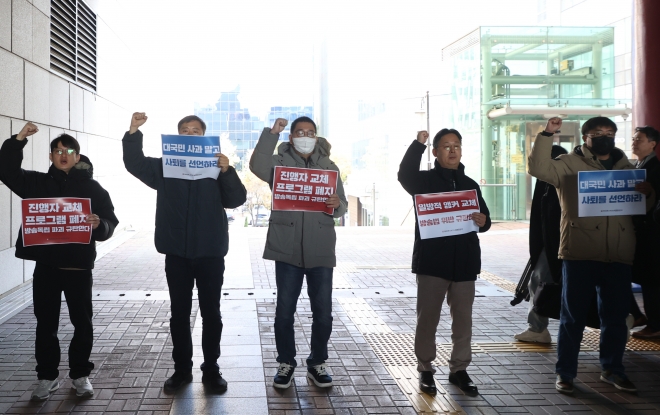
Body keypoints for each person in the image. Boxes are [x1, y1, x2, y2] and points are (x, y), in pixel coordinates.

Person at [528, 116, 654, 395]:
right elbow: (538, 167)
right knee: (572, 317)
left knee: (616, 317)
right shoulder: (569, 164)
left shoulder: (627, 168)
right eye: (597, 133)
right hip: (580, 253)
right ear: (586, 137)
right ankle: (565, 373)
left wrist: (649, 194)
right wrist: (548, 134)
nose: (604, 137)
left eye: (609, 132)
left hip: (619, 255)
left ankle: (613, 369)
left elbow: (640, 208)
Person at [122, 113, 247, 392]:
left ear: (203, 136)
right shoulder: (166, 166)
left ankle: (211, 369)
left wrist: (227, 171)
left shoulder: (217, 167)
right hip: (176, 252)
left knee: (211, 313)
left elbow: (237, 199)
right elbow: (134, 163)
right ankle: (181, 370)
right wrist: (133, 132)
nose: (190, 134)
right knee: (179, 314)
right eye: (184, 130)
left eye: (195, 130)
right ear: (177, 137)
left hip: (210, 252)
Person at [0, 123, 119, 401]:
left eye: (68, 151)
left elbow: (110, 221)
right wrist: (18, 141)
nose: (63, 155)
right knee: (45, 324)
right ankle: (47, 377)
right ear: (51, 157)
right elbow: (5, 171)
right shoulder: (38, 184)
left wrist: (98, 224)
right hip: (47, 267)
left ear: (77, 156)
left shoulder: (94, 189)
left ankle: (80, 375)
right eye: (57, 151)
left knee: (82, 323)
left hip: (78, 267)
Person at [249, 116, 347, 389]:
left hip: (320, 249)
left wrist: (336, 203)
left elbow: (342, 207)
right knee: (284, 312)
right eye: (300, 132)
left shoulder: (329, 167)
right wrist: (272, 133)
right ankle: (286, 363)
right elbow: (256, 165)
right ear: (291, 137)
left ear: (316, 137)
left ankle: (317, 362)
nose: (305, 136)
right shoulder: (278, 165)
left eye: (310, 132)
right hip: (288, 249)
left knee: (323, 313)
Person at [398, 129, 491, 397]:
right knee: (428, 319)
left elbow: (484, 217)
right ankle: (425, 368)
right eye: (446, 146)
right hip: (432, 263)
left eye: (457, 146)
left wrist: (484, 221)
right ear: (436, 152)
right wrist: (418, 144)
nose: (452, 151)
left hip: (465, 263)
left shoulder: (471, 184)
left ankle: (459, 369)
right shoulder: (423, 182)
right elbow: (404, 174)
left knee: (463, 320)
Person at [514, 145, 567, 344]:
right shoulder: (547, 178)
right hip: (554, 240)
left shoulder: (554, 178)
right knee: (538, 280)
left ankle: (537, 329)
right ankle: (537, 327)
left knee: (538, 280)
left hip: (558, 241)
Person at [631, 125, 660, 339]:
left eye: (639, 139)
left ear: (652, 144)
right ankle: (639, 315)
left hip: (652, 235)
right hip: (640, 233)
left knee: (651, 280)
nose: (634, 141)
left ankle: (654, 324)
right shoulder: (636, 166)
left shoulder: (656, 170)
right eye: (634, 138)